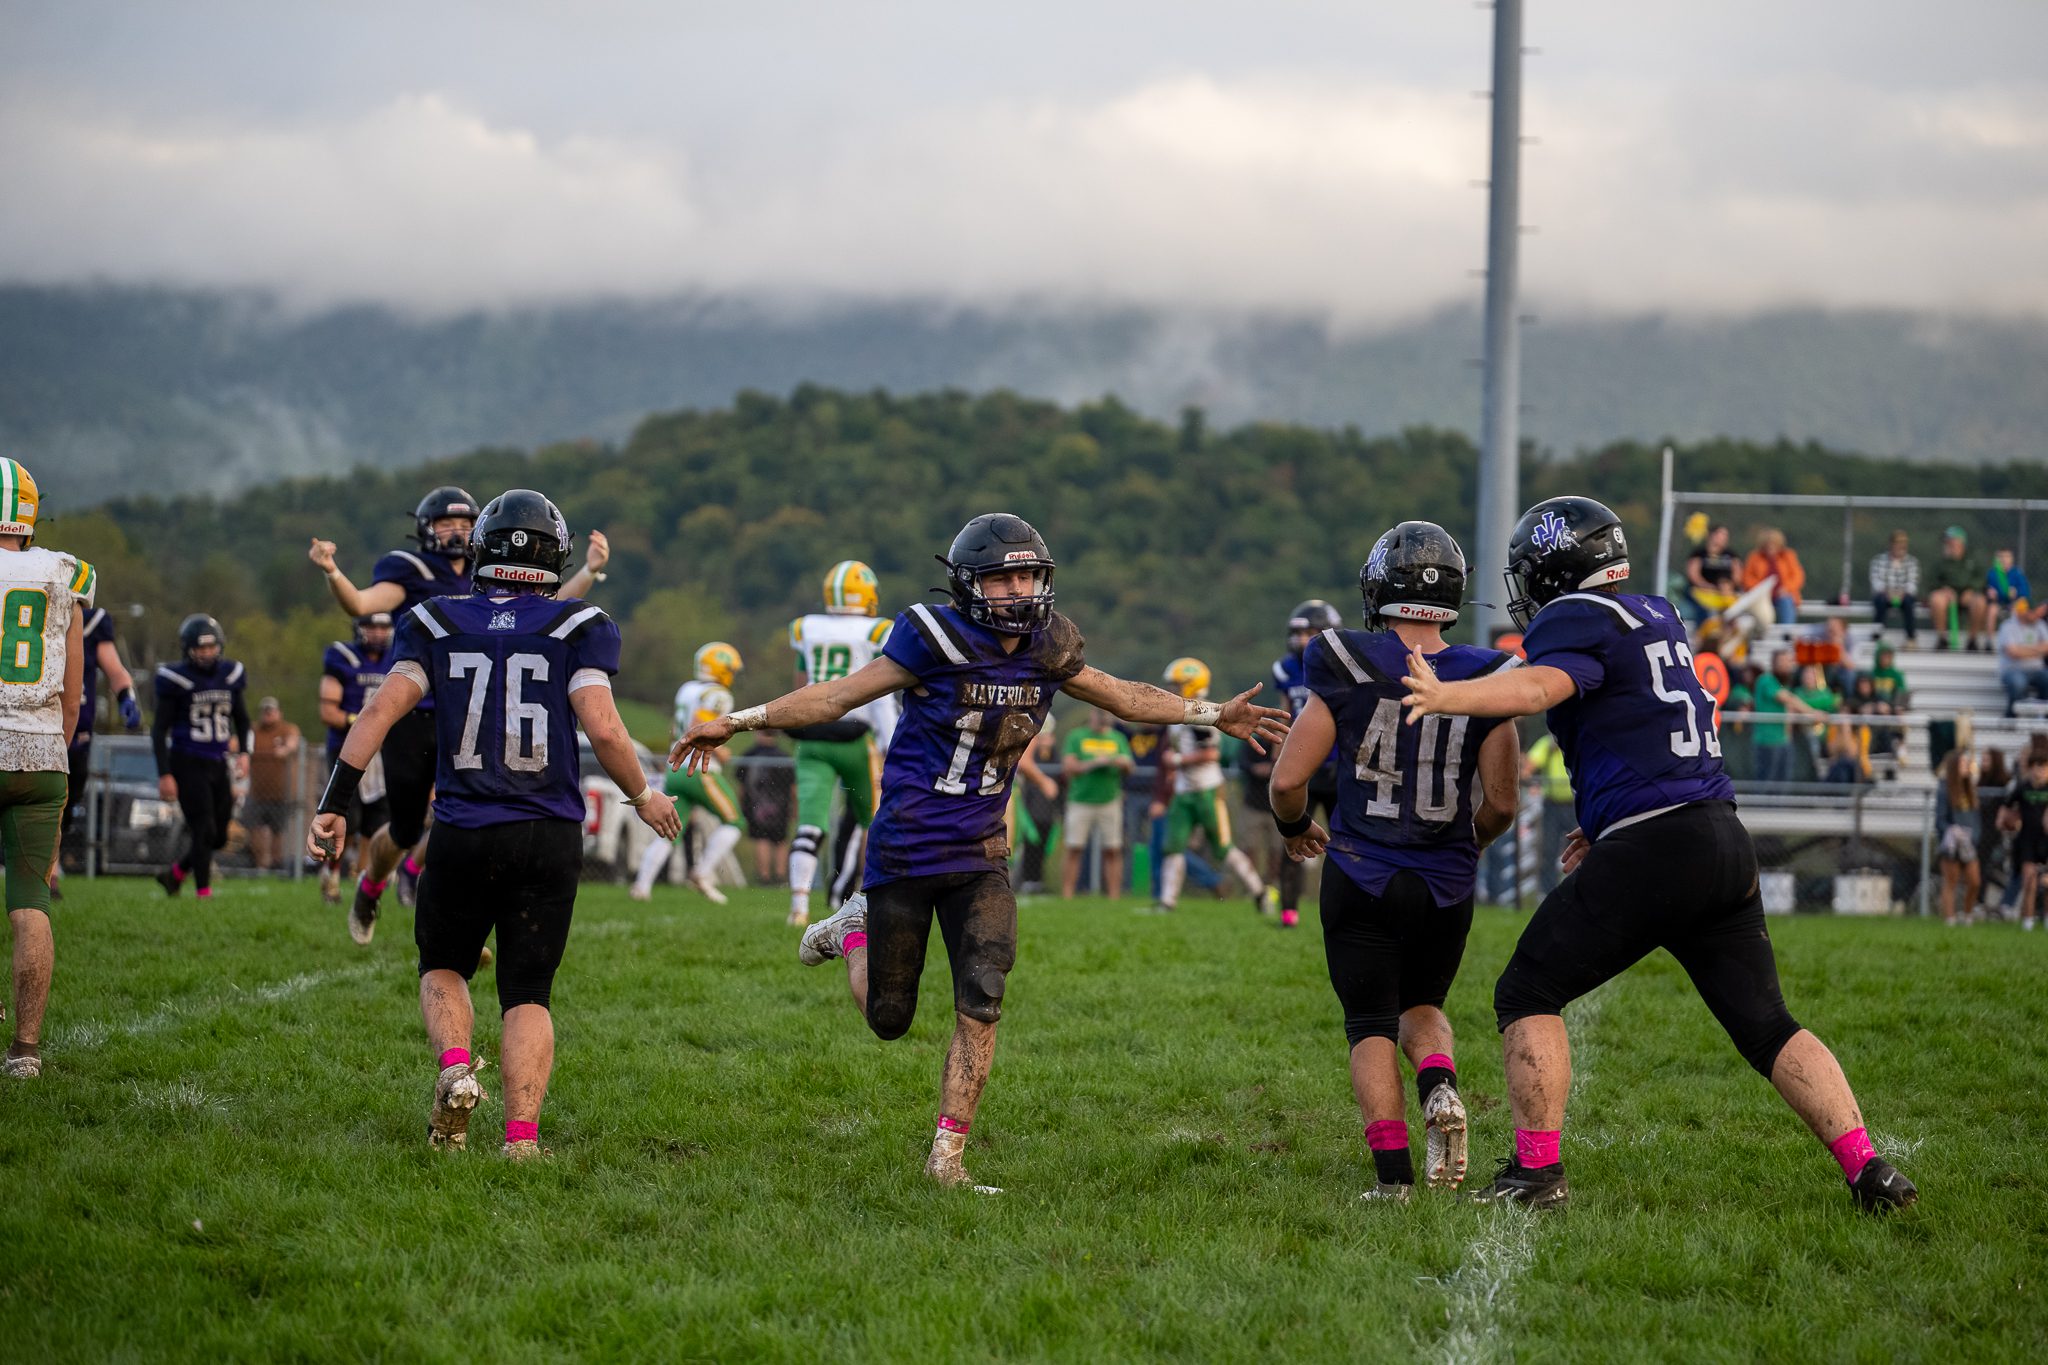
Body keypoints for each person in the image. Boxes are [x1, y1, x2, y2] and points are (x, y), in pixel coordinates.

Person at [672, 513, 1289, 1189]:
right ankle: (852, 930)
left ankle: (947, 1160)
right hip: (907, 845)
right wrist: (740, 719)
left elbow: (1123, 695)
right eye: (1004, 579)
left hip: (980, 849)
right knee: (889, 1018)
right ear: (969, 585)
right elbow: (836, 696)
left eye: (1030, 576)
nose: (1021, 590)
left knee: (984, 992)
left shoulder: (1049, 646)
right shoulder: (931, 637)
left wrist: (1212, 714)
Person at [1402, 494, 1917, 1212]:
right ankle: (1869, 1169)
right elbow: (1647, 720)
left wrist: (1450, 694)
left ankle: (1537, 1174)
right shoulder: (1658, 614)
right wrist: (1608, 816)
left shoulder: (1573, 617)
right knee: (1768, 1022)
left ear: (1554, 570)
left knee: (1527, 990)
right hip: (1720, 835)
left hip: (1657, 846)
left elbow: (1542, 686)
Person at [308, 489, 679, 1157]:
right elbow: (605, 729)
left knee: (443, 964)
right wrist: (643, 795)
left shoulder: (435, 619)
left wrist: (334, 801)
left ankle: (456, 1068)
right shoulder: (580, 623)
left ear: (483, 548)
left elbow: (378, 714)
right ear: (553, 556)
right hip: (549, 832)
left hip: (464, 827)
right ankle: (522, 1139)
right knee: (528, 991)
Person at [1269, 521, 1521, 1202]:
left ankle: (1393, 1180)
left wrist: (1295, 827)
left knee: (1370, 1023)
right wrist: (1465, 845)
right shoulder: (1487, 674)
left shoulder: (1344, 661)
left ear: (1380, 588)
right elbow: (1502, 802)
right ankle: (1439, 1084)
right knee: (1423, 1004)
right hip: (1446, 881)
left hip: (1361, 870)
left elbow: (1288, 782)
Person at [308, 486, 610, 942]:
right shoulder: (411, 572)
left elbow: (545, 610)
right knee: (406, 828)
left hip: (475, 709)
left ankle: (428, 888)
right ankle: (373, 885)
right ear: (425, 528)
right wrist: (333, 571)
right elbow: (362, 604)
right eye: (446, 523)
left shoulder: (492, 567)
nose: (456, 532)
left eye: (465, 523)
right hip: (413, 713)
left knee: (471, 810)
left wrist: (588, 571)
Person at [0, 457, 92, 1080]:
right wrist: (53, 748)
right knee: (32, 901)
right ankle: (25, 1052)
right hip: (41, 753)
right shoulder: (66, 573)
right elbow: (74, 693)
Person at [784, 560, 898, 926]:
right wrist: (890, 742)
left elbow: (801, 684)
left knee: (810, 824)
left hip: (812, 734)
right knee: (870, 819)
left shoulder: (806, 628)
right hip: (854, 735)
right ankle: (843, 896)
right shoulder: (876, 630)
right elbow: (881, 694)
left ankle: (799, 905)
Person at [1156, 658, 1274, 917]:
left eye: (1176, 684)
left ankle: (1259, 892)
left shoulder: (1200, 712)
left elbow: (1210, 753)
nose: (1171, 689)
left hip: (1207, 791)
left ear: (1191, 684)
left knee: (1223, 848)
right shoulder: (1179, 711)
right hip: (1184, 791)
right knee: (1173, 845)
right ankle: (1167, 902)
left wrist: (1177, 760)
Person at [632, 642, 748, 904]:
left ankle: (641, 886)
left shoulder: (687, 688)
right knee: (735, 821)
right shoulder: (717, 694)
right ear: (720, 668)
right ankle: (702, 873)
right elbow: (699, 726)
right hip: (700, 770)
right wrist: (721, 753)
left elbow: (677, 728)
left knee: (670, 830)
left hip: (676, 767)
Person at [151, 614, 249, 901]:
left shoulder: (230, 674)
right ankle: (203, 893)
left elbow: (242, 719)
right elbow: (158, 730)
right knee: (203, 828)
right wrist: (165, 773)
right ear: (188, 649)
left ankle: (176, 874)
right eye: (200, 648)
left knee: (218, 836)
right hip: (187, 761)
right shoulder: (176, 679)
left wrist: (245, 753)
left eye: (211, 647)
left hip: (219, 762)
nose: (207, 653)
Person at [58, 599, 141, 896]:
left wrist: (126, 697)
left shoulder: (91, 623)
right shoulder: (27, 610)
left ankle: (47, 866)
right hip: (35, 724)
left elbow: (115, 670)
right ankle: (44, 872)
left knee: (65, 803)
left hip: (76, 734)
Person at [1271, 600, 1344, 928]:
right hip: (1303, 768)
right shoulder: (1286, 669)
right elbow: (1284, 715)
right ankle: (1289, 912)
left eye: (1309, 633)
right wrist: (1278, 760)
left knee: (1345, 842)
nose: (1302, 640)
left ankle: (1346, 911)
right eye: (1298, 633)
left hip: (1338, 766)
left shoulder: (1344, 667)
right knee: (1293, 836)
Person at [317, 613, 394, 903]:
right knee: (343, 814)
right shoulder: (342, 657)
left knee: (377, 823)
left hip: (383, 752)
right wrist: (363, 724)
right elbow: (328, 712)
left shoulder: (397, 658)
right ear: (359, 628)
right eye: (371, 626)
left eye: (383, 627)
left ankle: (363, 881)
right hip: (347, 748)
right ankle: (330, 872)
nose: (378, 633)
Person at [1059, 707, 1133, 898]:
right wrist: (1094, 763)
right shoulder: (1077, 736)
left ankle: (1114, 898)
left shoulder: (1118, 738)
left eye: (1107, 714)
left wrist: (1122, 763)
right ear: (1092, 714)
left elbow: (1130, 767)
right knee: (1074, 848)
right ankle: (1067, 896)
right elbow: (1068, 766)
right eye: (1100, 713)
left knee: (1113, 849)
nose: (1104, 717)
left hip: (1110, 801)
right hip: (1080, 801)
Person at [1751, 650, 1828, 786]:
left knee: (1782, 782)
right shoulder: (1766, 680)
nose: (1786, 665)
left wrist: (1787, 737)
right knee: (1767, 782)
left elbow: (1788, 709)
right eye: (1782, 662)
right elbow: (1788, 699)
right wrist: (1812, 713)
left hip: (1782, 741)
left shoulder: (1782, 683)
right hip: (1767, 740)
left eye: (1788, 662)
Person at [245, 697, 303, 871]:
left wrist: (286, 749)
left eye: (271, 711)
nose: (268, 714)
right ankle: (260, 865)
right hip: (257, 792)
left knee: (278, 831)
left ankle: (276, 865)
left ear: (279, 713)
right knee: (254, 828)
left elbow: (293, 743)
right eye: (265, 711)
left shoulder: (287, 729)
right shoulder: (253, 730)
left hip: (280, 793)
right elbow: (238, 743)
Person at [1999, 747, 2048, 931]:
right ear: (2031, 768)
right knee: (2029, 880)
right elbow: (2006, 807)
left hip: (2046, 840)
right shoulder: (2022, 787)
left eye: (2044, 767)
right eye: (2037, 767)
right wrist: (2005, 821)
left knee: (2046, 882)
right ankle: (2028, 921)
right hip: (2027, 839)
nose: (2040, 771)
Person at [735, 730, 792, 884]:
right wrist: (795, 807)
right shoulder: (783, 756)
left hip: (756, 806)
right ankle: (780, 877)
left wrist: (740, 805)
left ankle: (764, 877)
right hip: (781, 806)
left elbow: (742, 787)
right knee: (781, 840)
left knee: (762, 839)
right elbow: (793, 787)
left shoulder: (749, 755)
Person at [1936, 749, 1982, 925]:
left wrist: (1974, 837)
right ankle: (1950, 920)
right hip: (1952, 842)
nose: (1966, 766)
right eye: (1963, 763)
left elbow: (1976, 819)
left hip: (1969, 843)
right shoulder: (1944, 790)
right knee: (1951, 882)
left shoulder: (1970, 789)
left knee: (1974, 881)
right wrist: (1952, 832)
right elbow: (1940, 820)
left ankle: (1968, 915)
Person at [1925, 526, 1989, 652]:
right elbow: (1931, 581)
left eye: (1951, 541)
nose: (1948, 544)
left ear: (1960, 542)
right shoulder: (1941, 562)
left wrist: (1971, 589)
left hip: (1968, 595)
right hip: (1947, 595)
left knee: (1980, 602)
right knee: (1936, 599)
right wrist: (1944, 589)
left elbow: (1981, 578)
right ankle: (1942, 639)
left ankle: (1972, 640)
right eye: (1947, 542)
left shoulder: (1973, 559)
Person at [1741, 528, 1806, 626]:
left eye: (1774, 544)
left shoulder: (1788, 556)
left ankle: (1786, 631)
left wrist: (1786, 588)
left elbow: (1797, 576)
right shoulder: (1754, 557)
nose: (1771, 547)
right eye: (1768, 545)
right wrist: (1761, 589)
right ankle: (1762, 631)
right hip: (1762, 596)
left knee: (1786, 601)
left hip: (1782, 594)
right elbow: (1746, 578)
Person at [1994, 600, 2048, 716]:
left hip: (2037, 669)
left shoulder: (2040, 624)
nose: (2038, 615)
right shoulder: (2008, 626)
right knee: (2018, 683)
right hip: (2012, 669)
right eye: (2034, 612)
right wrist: (2038, 649)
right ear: (2024, 612)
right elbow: (2013, 652)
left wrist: (2022, 650)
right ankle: (2011, 717)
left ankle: (2043, 716)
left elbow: (2047, 648)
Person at [1869, 530, 1920, 646]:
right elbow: (1876, 582)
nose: (1900, 547)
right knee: (1880, 601)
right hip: (1885, 594)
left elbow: (1912, 584)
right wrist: (1888, 592)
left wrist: (1902, 593)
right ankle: (1876, 636)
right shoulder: (1878, 560)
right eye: (1898, 543)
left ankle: (1910, 638)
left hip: (1904, 595)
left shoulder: (1912, 562)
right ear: (1891, 544)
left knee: (1909, 602)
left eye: (1903, 544)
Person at [1685, 524, 1741, 623]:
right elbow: (1693, 574)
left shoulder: (1730, 555)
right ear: (1712, 536)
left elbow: (1737, 573)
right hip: (1702, 592)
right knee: (1703, 611)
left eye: (1726, 535)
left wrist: (1729, 586)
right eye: (1722, 535)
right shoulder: (1700, 553)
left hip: (1725, 592)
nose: (1725, 538)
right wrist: (1706, 586)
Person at [1984, 549, 2031, 636]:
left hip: (2013, 603)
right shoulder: (1993, 573)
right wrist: (1991, 594)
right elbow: (1988, 589)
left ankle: (2016, 637)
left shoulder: (2017, 573)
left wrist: (2016, 592)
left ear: (2011, 559)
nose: (2004, 559)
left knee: (2019, 607)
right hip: (1998, 603)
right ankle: (1989, 639)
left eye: (2007, 556)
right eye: (2002, 557)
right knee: (1992, 610)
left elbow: (2024, 591)